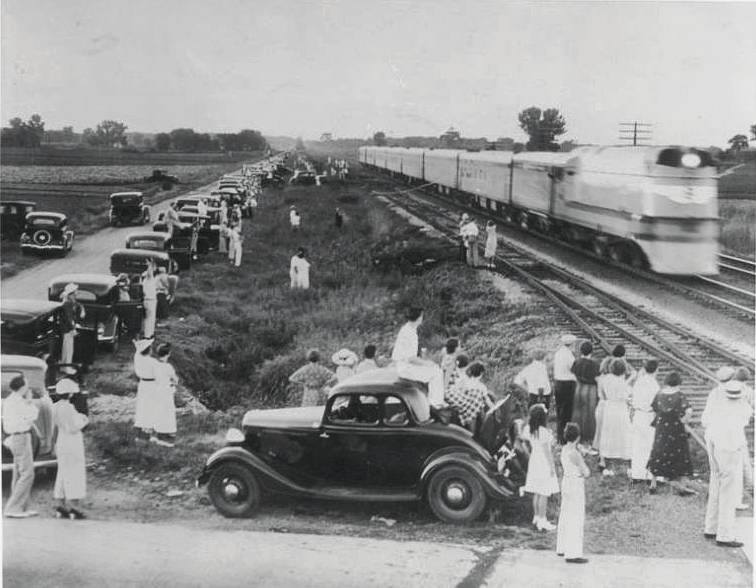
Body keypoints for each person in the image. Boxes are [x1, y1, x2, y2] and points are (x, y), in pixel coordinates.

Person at [702, 379, 750, 547]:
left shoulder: (717, 405)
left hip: (712, 442)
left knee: (715, 484)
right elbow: (746, 420)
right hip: (729, 447)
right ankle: (725, 535)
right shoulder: (741, 408)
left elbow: (704, 422)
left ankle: (711, 527)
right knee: (728, 492)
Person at [647, 372, 695, 495]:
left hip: (662, 428)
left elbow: (654, 410)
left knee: (658, 451)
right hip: (676, 428)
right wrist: (684, 421)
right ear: (678, 383)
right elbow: (688, 410)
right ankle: (679, 482)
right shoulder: (680, 396)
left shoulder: (659, 394)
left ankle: (653, 482)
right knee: (679, 452)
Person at [390, 307, 445, 408]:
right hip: (406, 368)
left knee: (433, 369)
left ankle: (432, 400)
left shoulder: (406, 329)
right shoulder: (410, 333)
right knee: (437, 372)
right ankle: (435, 404)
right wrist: (427, 363)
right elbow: (411, 358)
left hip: (403, 366)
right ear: (419, 318)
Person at [2, 376, 39, 518]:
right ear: (22, 387)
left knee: (18, 473)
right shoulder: (19, 402)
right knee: (27, 473)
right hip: (21, 436)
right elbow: (33, 415)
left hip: (16, 437)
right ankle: (13, 507)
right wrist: (29, 401)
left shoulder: (10, 400)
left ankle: (22, 507)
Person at [52, 378, 89, 520]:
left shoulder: (54, 407)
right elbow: (73, 427)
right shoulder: (69, 408)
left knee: (62, 473)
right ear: (70, 394)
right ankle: (74, 508)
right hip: (72, 442)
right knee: (74, 473)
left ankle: (60, 506)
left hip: (61, 441)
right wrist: (84, 419)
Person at [556, 422, 591, 564]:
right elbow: (586, 472)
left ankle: (562, 547)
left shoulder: (564, 449)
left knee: (565, 514)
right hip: (576, 484)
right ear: (577, 437)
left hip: (566, 481)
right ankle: (573, 553)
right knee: (576, 517)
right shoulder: (575, 453)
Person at [522, 403, 559, 531]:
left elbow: (524, 438)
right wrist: (552, 467)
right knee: (544, 492)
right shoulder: (544, 432)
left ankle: (536, 516)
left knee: (537, 492)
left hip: (534, 461)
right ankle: (543, 520)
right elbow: (547, 452)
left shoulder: (529, 429)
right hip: (543, 462)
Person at [595, 359, 632, 475]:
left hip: (609, 407)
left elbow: (604, 394)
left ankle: (603, 459)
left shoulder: (606, 380)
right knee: (624, 432)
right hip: (620, 408)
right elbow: (627, 396)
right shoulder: (622, 383)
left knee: (607, 432)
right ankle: (626, 455)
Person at [629, 359, 660, 482]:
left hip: (638, 414)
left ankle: (637, 473)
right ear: (656, 370)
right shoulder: (654, 385)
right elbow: (656, 403)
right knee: (649, 444)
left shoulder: (638, 382)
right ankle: (648, 473)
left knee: (637, 445)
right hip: (649, 415)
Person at [445, 362, 493, 432]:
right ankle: (482, 428)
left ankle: (472, 432)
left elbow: (455, 389)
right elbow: (487, 400)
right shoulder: (481, 386)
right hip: (472, 409)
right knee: (478, 405)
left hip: (462, 408)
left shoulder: (464, 381)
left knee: (475, 407)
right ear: (481, 374)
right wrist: (493, 407)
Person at [570, 341, 600, 452]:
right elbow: (597, 377)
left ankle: (577, 433)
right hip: (590, 389)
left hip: (579, 387)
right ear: (591, 352)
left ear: (581, 351)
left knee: (577, 411)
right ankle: (589, 435)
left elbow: (573, 373)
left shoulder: (576, 362)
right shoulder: (594, 364)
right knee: (590, 412)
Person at [553, 334, 577, 443]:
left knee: (560, 411)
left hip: (558, 382)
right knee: (567, 412)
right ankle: (564, 438)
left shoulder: (558, 353)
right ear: (571, 344)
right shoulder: (569, 355)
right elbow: (573, 369)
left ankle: (559, 436)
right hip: (567, 384)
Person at [153, 343, 178, 447]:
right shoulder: (168, 367)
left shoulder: (155, 365)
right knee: (168, 411)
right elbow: (175, 380)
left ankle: (158, 430)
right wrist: (173, 383)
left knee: (158, 410)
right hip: (166, 391)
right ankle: (169, 431)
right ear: (168, 354)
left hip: (156, 390)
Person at [133, 338, 158, 441]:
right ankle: (147, 434)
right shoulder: (152, 361)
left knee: (142, 407)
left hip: (143, 384)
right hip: (151, 385)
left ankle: (140, 433)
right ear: (149, 350)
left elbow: (137, 352)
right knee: (150, 408)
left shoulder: (137, 358)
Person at [60, 283, 85, 372]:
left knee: (67, 348)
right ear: (70, 294)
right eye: (75, 293)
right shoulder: (67, 304)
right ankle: (66, 367)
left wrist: (82, 308)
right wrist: (72, 328)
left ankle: (64, 365)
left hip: (67, 328)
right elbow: (68, 318)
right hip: (67, 329)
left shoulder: (70, 302)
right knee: (68, 348)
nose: (76, 294)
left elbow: (78, 305)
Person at [141, 260, 158, 339]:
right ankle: (147, 335)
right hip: (150, 300)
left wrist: (152, 264)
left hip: (149, 300)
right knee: (149, 318)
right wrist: (150, 264)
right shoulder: (148, 279)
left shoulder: (145, 281)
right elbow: (150, 271)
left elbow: (151, 270)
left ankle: (150, 333)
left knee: (150, 318)